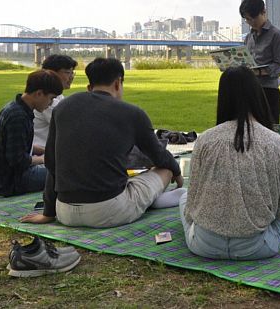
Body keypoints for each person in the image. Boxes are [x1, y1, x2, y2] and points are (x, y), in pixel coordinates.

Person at [20, 57, 183, 228]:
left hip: (64, 212)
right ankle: (156, 199)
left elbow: (52, 163)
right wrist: (176, 172)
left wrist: (48, 213)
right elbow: (159, 155)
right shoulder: (132, 113)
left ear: (89, 86)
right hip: (109, 211)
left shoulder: (62, 108)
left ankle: (148, 198)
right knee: (164, 170)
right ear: (118, 83)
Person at [180, 66, 280, 260]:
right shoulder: (278, 144)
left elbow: (192, 203)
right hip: (257, 247)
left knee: (183, 197)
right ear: (257, 95)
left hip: (203, 245)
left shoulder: (205, 140)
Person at [0, 70, 64, 197]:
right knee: (65, 171)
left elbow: (20, 147)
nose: (50, 103)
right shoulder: (18, 117)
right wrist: (44, 159)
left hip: (6, 178)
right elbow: (17, 160)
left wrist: (46, 151)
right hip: (11, 182)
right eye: (51, 98)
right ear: (39, 94)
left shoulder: (16, 108)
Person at [239, 0, 280, 123]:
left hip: (268, 92)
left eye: (252, 18)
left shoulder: (277, 36)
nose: (250, 22)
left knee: (269, 128)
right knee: (248, 128)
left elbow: (279, 66)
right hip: (249, 90)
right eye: (247, 19)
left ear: (263, 12)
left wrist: (258, 71)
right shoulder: (248, 38)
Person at [32, 54, 78, 151]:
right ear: (51, 73)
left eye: (72, 73)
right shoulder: (45, 99)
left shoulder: (56, 95)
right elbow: (72, 127)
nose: (71, 77)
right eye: (68, 72)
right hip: (39, 152)